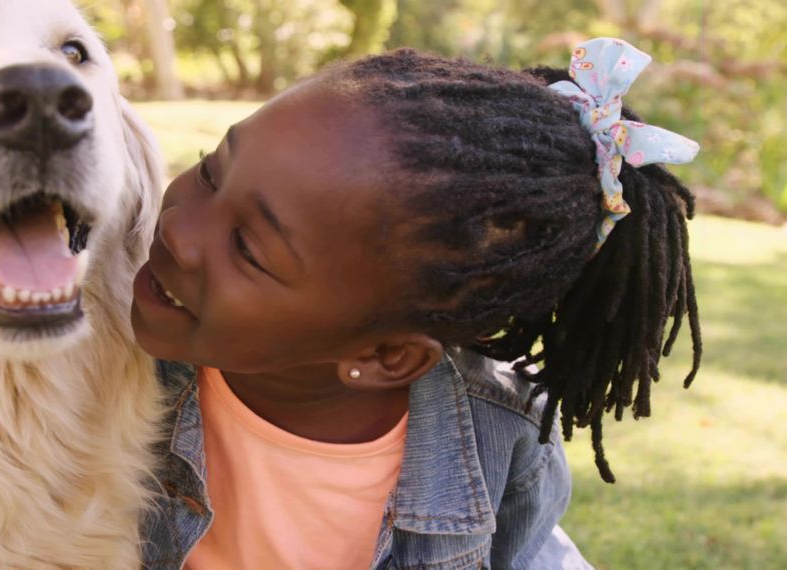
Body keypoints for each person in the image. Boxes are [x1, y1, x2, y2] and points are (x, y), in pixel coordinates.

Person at [132, 38, 701, 569]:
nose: (181, 229)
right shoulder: (99, 357)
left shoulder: (498, 440)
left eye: (247, 248)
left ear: (386, 355)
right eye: (211, 171)